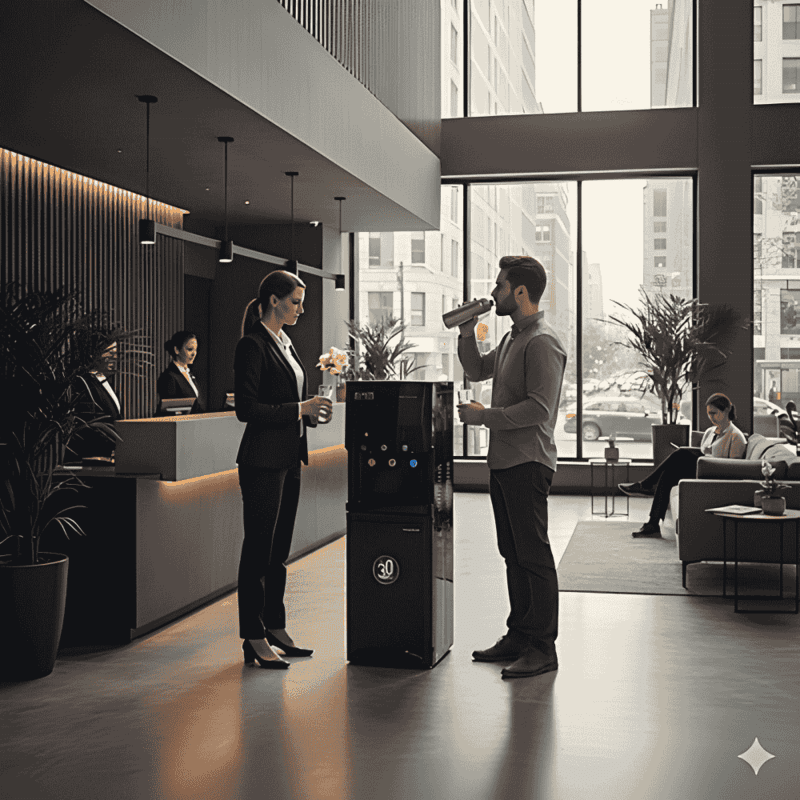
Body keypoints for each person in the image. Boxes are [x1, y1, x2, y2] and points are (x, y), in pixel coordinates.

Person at [457, 255, 567, 679]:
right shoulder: (512, 338)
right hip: (504, 463)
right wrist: (468, 332)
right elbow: (475, 368)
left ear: (521, 292)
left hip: (528, 462)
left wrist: (484, 417)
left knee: (533, 556)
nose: (495, 292)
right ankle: (520, 635)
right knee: (513, 554)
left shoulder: (542, 341)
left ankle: (543, 648)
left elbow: (539, 410)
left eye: (500, 286)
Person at [233, 270, 333, 669]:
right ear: (273, 300)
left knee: (278, 553)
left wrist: (308, 416)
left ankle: (274, 625)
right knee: (257, 551)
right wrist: (299, 409)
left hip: (289, 459)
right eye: (295, 301)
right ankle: (252, 635)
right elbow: (246, 409)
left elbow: (287, 401)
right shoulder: (252, 345)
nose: (301, 308)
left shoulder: (286, 345)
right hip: (261, 461)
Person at [619, 392, 746, 537]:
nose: (711, 417)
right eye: (709, 414)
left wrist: (711, 457)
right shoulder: (710, 432)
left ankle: (646, 485)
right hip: (699, 471)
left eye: (714, 413)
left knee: (682, 453)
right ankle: (652, 523)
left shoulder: (736, 436)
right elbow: (703, 453)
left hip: (713, 477)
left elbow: (735, 468)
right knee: (669, 474)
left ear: (727, 410)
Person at [68, 342, 121, 461]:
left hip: (109, 456)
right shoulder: (85, 384)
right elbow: (88, 423)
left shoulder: (102, 380)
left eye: (116, 353)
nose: (115, 358)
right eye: (110, 353)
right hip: (96, 458)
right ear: (93, 354)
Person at [156, 331, 205, 415]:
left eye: (195, 350)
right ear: (177, 350)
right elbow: (169, 411)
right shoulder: (169, 376)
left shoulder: (190, 375)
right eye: (190, 349)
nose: (194, 354)